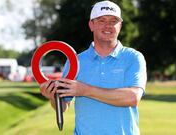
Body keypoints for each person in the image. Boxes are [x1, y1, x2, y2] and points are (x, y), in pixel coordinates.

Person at [40, 1, 147, 135]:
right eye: (101, 20)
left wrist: (85, 90)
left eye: (113, 21)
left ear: (120, 25)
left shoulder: (133, 57)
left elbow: (132, 97)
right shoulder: (76, 61)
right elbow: (63, 106)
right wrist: (52, 97)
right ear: (91, 25)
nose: (108, 25)